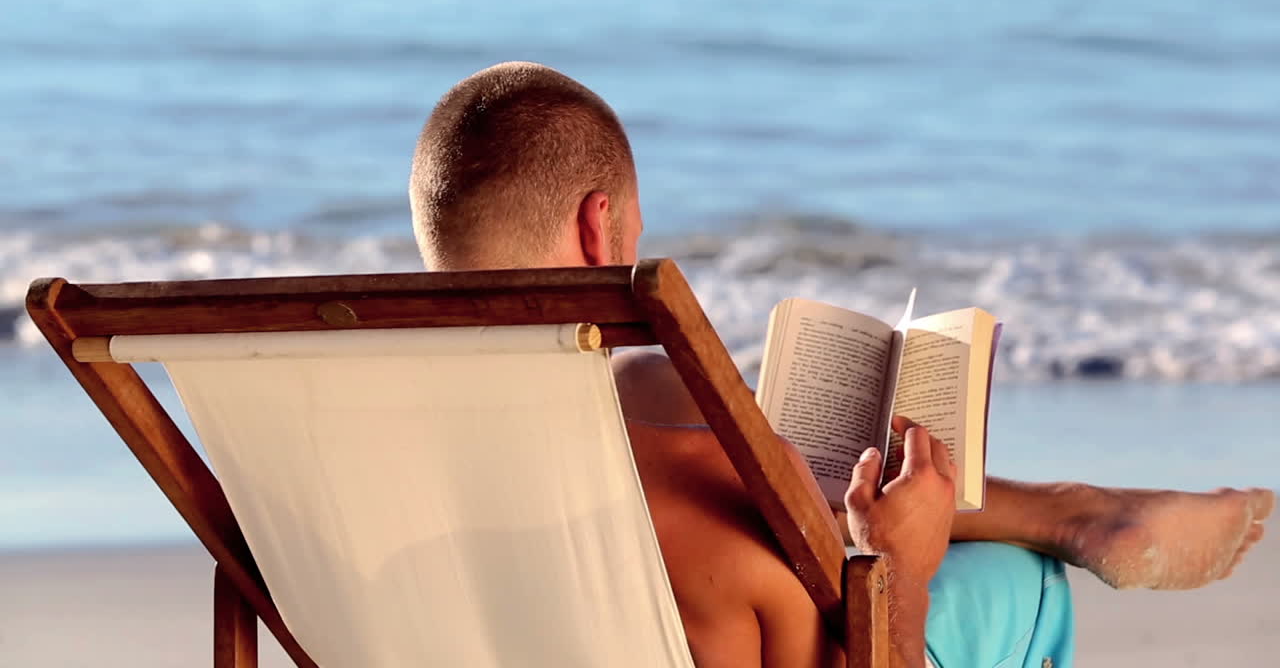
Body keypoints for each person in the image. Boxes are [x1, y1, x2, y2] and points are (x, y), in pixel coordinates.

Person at [407, 61, 1274, 668]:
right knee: (1022, 580)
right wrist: (903, 571)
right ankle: (1059, 520)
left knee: (655, 387)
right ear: (600, 227)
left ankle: (1067, 509)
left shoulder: (334, 461)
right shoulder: (732, 484)